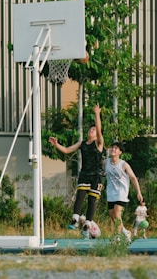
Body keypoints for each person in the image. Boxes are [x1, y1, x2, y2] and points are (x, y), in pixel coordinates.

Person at [48, 104, 104, 239]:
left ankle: (87, 226)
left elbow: (99, 129)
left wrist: (97, 114)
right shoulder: (82, 143)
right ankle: (75, 220)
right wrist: (56, 145)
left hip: (97, 176)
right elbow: (67, 150)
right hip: (85, 173)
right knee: (80, 196)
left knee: (92, 201)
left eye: (93, 130)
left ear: (96, 135)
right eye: (90, 129)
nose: (91, 130)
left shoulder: (99, 143)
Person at [105, 141, 143, 243]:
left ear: (120, 152)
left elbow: (133, 178)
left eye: (116, 148)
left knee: (117, 213)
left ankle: (117, 236)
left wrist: (138, 192)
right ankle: (126, 232)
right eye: (112, 148)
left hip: (121, 193)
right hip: (110, 192)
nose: (113, 149)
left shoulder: (124, 164)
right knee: (112, 216)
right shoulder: (106, 162)